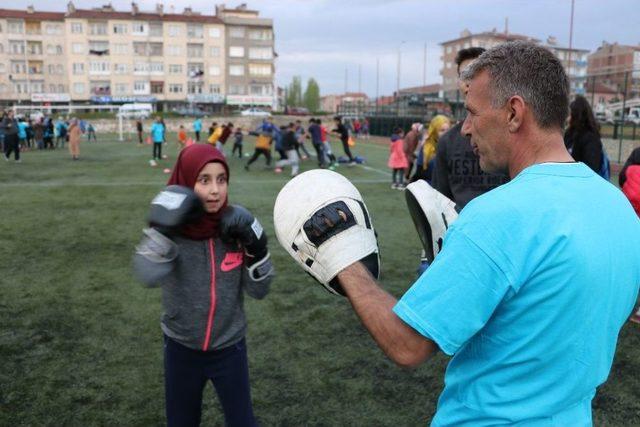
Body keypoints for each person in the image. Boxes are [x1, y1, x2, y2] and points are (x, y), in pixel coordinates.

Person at [287, 41, 640, 425]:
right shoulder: (619, 207)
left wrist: (344, 261)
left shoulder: (498, 216)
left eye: (471, 112)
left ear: (513, 113)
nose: (466, 128)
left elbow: (406, 345)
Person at [133, 144, 274, 426]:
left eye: (221, 180)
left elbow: (259, 291)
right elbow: (147, 273)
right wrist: (162, 231)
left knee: (243, 422)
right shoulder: (172, 229)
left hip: (230, 347)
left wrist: (257, 249)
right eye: (204, 180)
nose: (215, 191)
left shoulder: (235, 228)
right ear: (185, 182)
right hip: (181, 347)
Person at [433, 47, 510, 211]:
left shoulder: (511, 135)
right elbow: (440, 200)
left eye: (475, 73)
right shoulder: (447, 141)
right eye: (463, 75)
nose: (468, 81)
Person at [564, 95, 604, 174]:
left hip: (580, 182)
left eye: (569, 115)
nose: (567, 119)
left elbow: (592, 168)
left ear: (576, 115)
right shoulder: (569, 134)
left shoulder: (590, 139)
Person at [412, 115, 450, 183]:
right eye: (442, 130)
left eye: (448, 130)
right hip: (429, 188)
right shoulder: (426, 148)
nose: (446, 133)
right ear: (435, 132)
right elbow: (420, 173)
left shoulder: (453, 147)